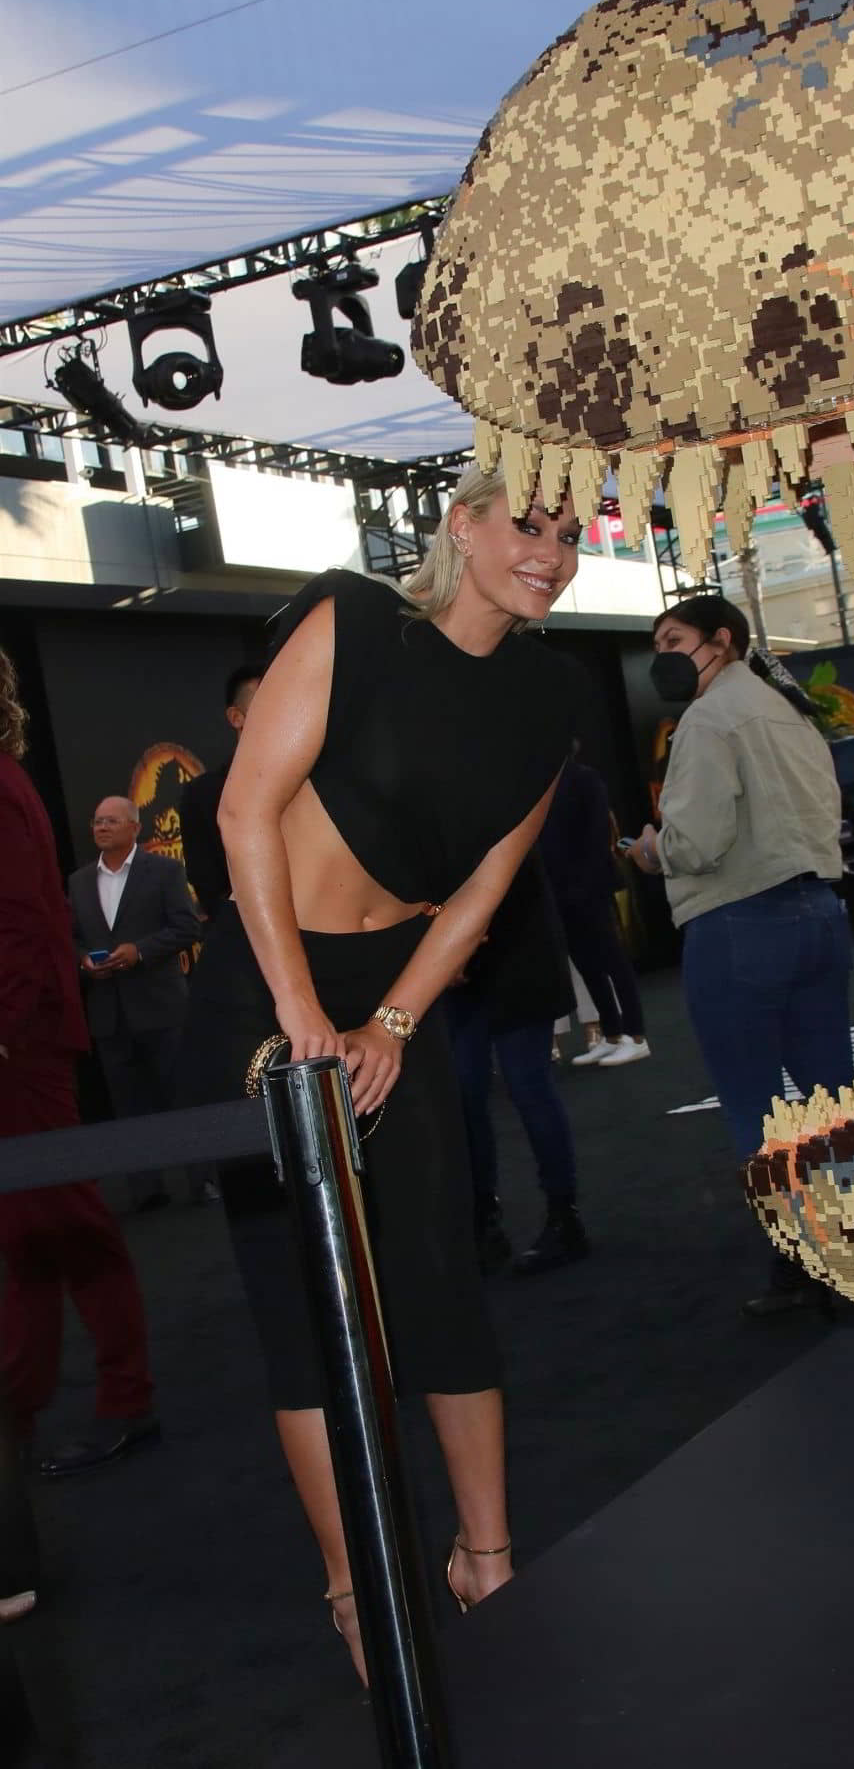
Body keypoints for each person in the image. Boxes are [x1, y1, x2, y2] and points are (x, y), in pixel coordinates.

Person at [180, 463, 581, 1682]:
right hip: (267, 982)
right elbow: (246, 810)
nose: (551, 554)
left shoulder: (549, 692)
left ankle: (487, 1557)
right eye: (528, 524)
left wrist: (395, 1022)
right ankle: (360, 1590)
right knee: (314, 1303)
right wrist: (302, 1009)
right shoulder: (351, 621)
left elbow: (485, 886)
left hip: (395, 1001)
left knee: (434, 1275)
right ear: (463, 524)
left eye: (571, 533)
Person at [626, 593, 853, 1317]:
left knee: (756, 1106)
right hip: (818, 914)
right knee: (831, 1100)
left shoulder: (707, 720)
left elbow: (695, 842)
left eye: (674, 639)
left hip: (737, 927)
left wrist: (650, 849)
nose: (663, 655)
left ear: (720, 641)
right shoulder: (788, 713)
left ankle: (801, 1261)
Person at [0, 649, 156, 1478]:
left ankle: (124, 1399)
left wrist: (10, 1032)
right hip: (20, 1039)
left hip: (18, 1045)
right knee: (31, 1232)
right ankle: (20, 1407)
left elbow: (24, 926)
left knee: (67, 1222)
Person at [444, 856, 590, 1275]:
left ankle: (563, 1216)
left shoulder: (498, 800)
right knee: (466, 1093)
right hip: (460, 961)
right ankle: (484, 1221)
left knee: (526, 1086)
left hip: (511, 952)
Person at [68, 797, 202, 1211]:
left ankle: (203, 1181)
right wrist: (83, 961)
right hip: (109, 1013)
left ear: (134, 828)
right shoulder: (77, 881)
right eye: (97, 821)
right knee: (128, 1107)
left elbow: (186, 926)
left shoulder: (163, 871)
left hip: (160, 1007)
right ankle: (146, 1190)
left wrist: (139, 951)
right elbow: (70, 936)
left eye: (111, 821)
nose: (101, 827)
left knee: (179, 1097)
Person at [540, 746, 649, 1066]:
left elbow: (597, 835)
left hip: (590, 888)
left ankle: (636, 1034)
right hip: (558, 892)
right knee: (587, 965)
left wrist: (584, 884)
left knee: (613, 959)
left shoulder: (584, 779)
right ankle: (611, 1033)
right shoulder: (541, 786)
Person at [178, 662, 264, 920]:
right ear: (236, 717)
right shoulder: (204, 796)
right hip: (248, 943)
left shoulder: (316, 781)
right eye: (267, 702)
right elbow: (208, 884)